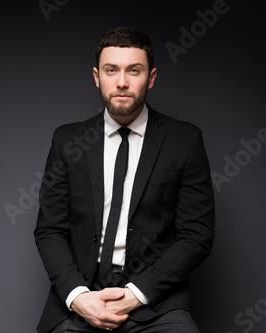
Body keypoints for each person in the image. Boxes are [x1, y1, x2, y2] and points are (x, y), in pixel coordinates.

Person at [34, 27, 215, 333]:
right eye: (111, 70)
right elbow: (50, 230)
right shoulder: (67, 141)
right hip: (82, 299)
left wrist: (135, 295)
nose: (121, 82)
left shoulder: (185, 141)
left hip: (155, 304)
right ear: (96, 76)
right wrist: (79, 297)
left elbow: (196, 236)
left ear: (152, 77)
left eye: (134, 70)